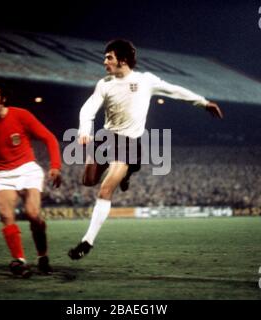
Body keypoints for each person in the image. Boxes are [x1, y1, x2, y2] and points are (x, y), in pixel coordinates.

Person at [68, 39, 223, 260]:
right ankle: (131, 170)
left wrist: (203, 102)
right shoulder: (105, 83)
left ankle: (87, 241)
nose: (104, 62)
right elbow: (88, 108)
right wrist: (84, 130)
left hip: (128, 143)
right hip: (106, 137)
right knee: (88, 180)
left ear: (122, 60)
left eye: (109, 57)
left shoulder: (145, 80)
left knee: (104, 190)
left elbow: (174, 90)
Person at [0, 84, 62, 277]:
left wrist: (55, 165)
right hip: (3, 175)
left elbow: (49, 138)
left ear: (3, 98)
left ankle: (42, 256)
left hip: (27, 170)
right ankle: (19, 261)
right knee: (6, 215)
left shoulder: (21, 115)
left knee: (32, 214)